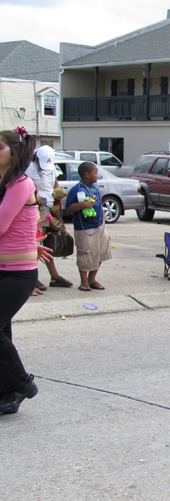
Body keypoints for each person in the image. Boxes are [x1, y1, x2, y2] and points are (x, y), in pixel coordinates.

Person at [0, 127, 51, 415]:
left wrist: (28, 245)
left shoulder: (21, 183)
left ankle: (20, 384)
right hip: (4, 266)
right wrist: (31, 241)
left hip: (18, 272)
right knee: (2, 332)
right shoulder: (4, 183)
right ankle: (6, 392)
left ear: (15, 152)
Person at [25, 144, 73, 288]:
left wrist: (58, 201)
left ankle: (54, 277)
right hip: (39, 208)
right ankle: (31, 278)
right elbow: (25, 185)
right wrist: (35, 194)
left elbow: (55, 185)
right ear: (36, 157)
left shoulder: (51, 166)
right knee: (37, 242)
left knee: (48, 243)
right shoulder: (28, 168)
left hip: (51, 208)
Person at [64, 162, 112, 292]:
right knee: (85, 253)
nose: (97, 175)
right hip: (85, 227)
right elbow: (68, 208)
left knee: (101, 251)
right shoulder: (77, 189)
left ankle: (92, 279)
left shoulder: (95, 187)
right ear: (87, 174)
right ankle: (84, 281)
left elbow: (98, 203)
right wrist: (82, 205)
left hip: (99, 224)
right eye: (95, 173)